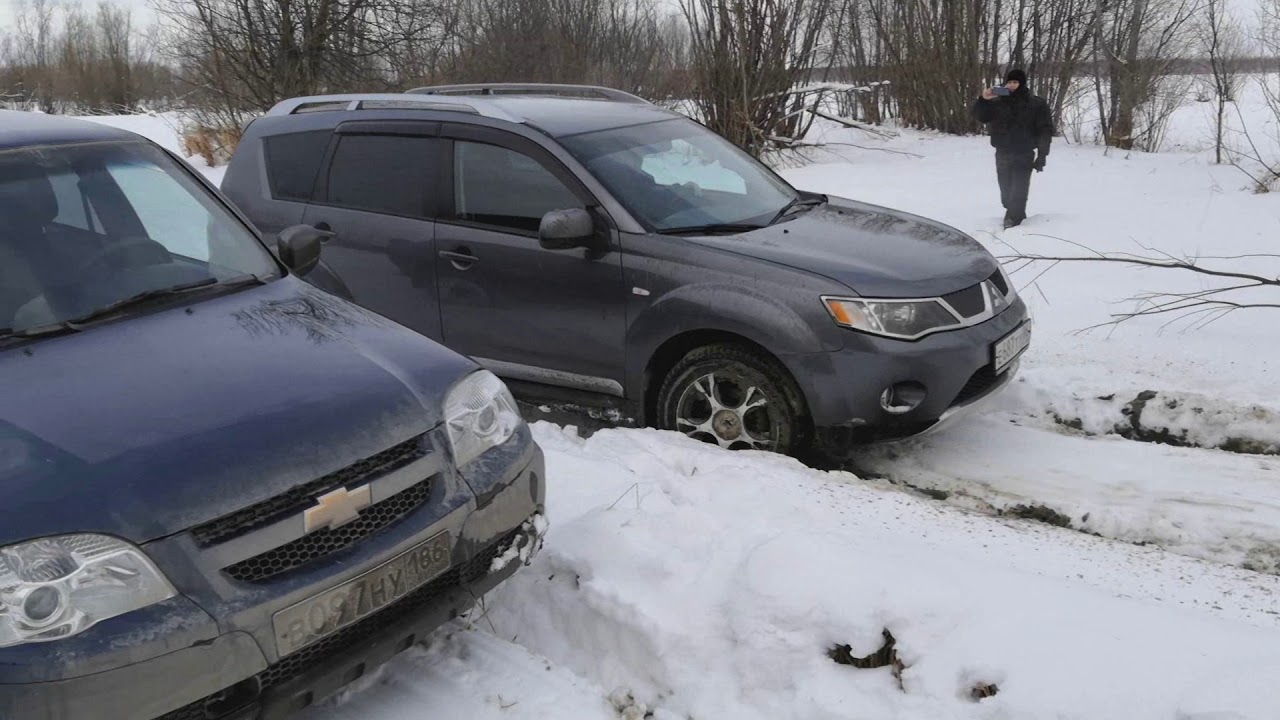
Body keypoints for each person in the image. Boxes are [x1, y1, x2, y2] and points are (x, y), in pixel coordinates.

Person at [970, 68, 1054, 228]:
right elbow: (981, 117)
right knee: (1006, 193)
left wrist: (1042, 155)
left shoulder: (1036, 104)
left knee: (1019, 190)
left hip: (1024, 153)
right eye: (1009, 82)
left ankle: (1014, 221)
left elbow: (1045, 130)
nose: (1012, 85)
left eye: (1015, 82)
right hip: (1002, 152)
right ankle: (1014, 212)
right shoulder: (997, 102)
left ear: (1022, 83)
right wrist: (983, 99)